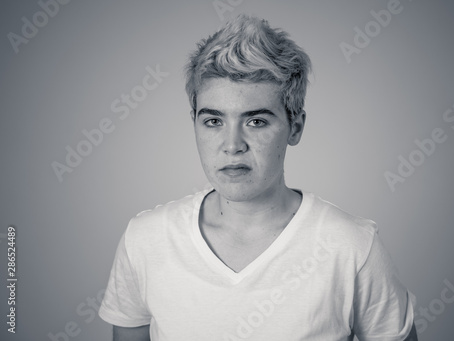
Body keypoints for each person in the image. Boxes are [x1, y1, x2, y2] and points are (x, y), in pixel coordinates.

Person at [98, 14, 418, 341]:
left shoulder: (352, 248)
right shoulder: (146, 240)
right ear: (194, 122)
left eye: (256, 122)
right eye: (213, 121)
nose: (233, 145)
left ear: (295, 126)